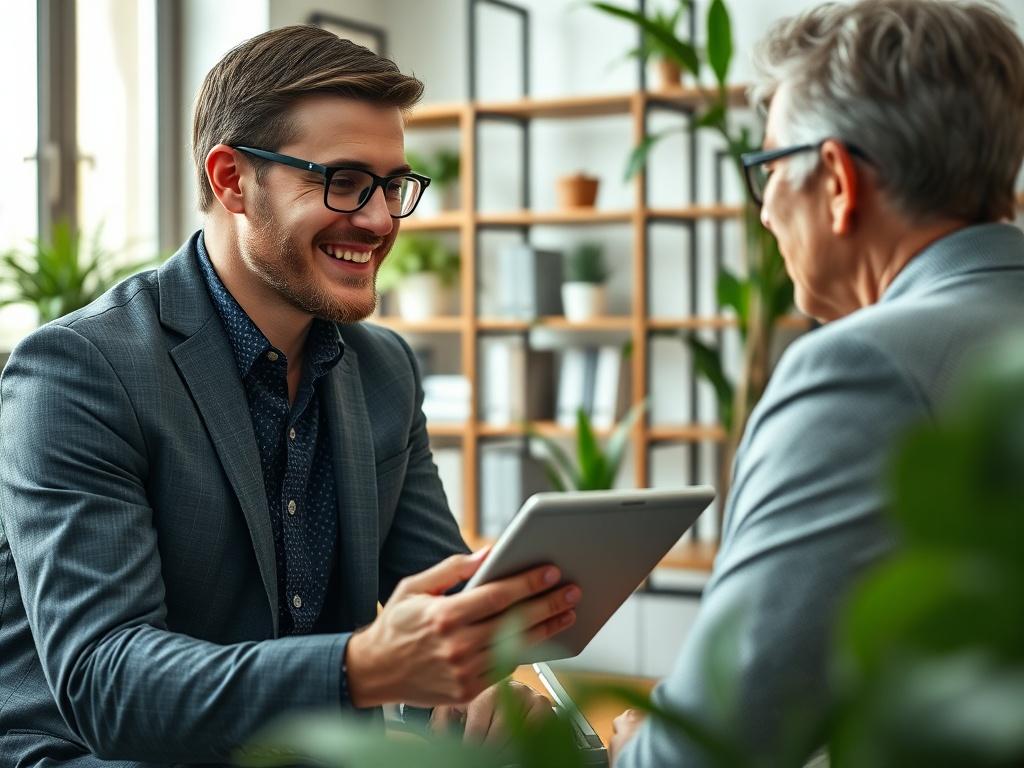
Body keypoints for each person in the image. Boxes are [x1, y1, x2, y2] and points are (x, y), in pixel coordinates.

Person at [0, 26, 581, 764]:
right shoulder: (80, 369)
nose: (377, 220)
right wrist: (360, 669)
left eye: (392, 185)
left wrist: (475, 679)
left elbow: (438, 604)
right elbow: (104, 682)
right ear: (232, 179)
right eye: (342, 181)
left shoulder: (383, 370)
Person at [610, 0, 1024, 765]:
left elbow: (713, 749)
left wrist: (638, 746)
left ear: (836, 179)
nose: (764, 210)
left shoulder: (861, 367)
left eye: (767, 168)